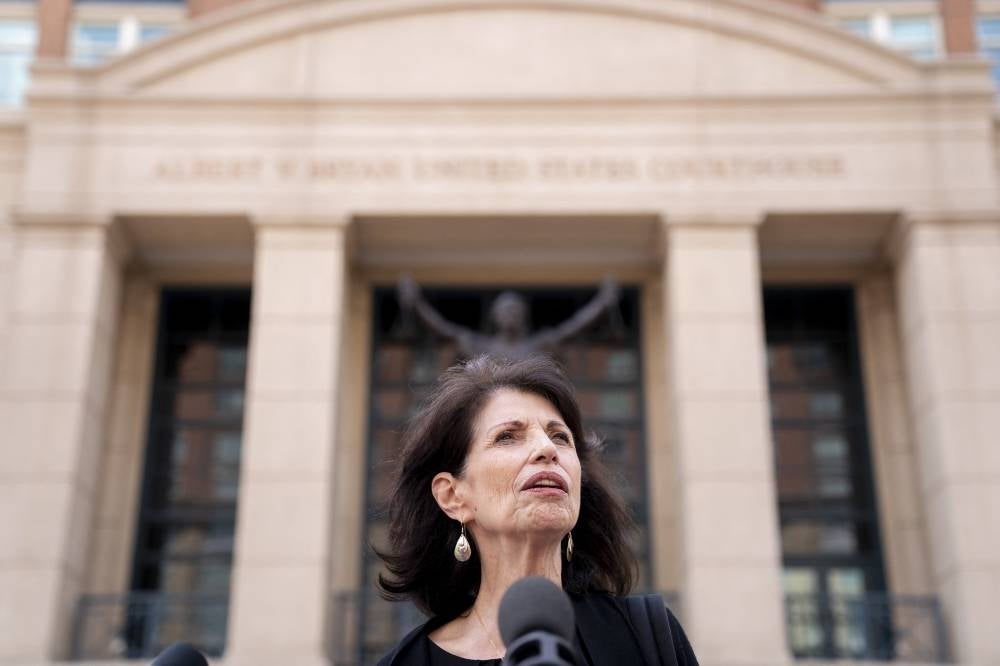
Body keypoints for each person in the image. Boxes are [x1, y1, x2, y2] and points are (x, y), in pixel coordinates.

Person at [375, 355, 697, 665]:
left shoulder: (648, 636)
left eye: (560, 437)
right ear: (453, 496)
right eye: (507, 437)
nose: (547, 449)